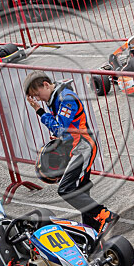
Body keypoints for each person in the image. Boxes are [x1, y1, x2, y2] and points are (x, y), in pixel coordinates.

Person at [23, 71, 119, 234]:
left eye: (37, 95)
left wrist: (40, 112)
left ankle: (105, 215)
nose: (38, 99)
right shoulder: (54, 97)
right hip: (75, 147)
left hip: (82, 147)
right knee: (81, 190)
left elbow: (61, 130)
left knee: (66, 189)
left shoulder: (65, 98)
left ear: (46, 84)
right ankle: (91, 229)